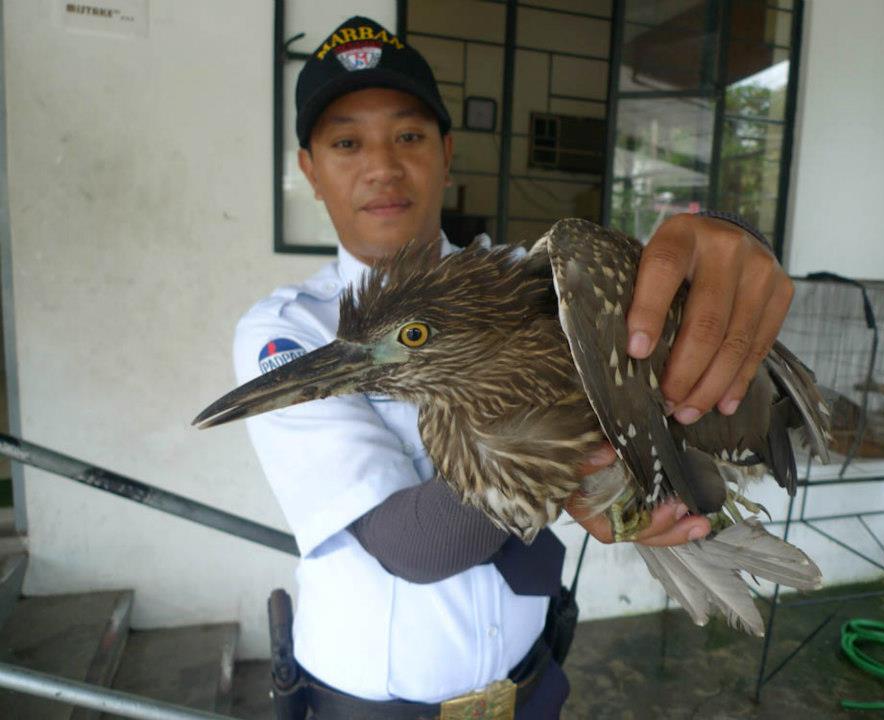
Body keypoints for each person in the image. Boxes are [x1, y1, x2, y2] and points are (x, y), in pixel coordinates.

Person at [233, 16, 795, 719]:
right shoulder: (291, 332)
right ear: (310, 169)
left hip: (534, 685)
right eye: (346, 142)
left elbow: (672, 306)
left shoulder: (532, 281)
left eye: (408, 136)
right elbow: (415, 546)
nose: (381, 165)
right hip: (367, 706)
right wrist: (586, 446)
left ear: (446, 151)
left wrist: (730, 243)